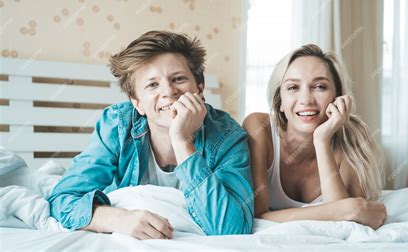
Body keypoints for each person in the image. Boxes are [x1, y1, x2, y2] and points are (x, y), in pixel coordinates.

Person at [48, 31, 254, 239]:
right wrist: (118, 219)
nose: (169, 91)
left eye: (179, 79)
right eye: (152, 84)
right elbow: (63, 199)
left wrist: (182, 142)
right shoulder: (117, 126)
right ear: (137, 103)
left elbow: (232, 229)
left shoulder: (227, 135)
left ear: (199, 88)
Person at [243, 44, 387, 229]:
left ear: (337, 96)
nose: (306, 100)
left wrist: (322, 140)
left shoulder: (351, 141)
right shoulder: (259, 129)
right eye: (293, 87)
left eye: (319, 87)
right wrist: (340, 210)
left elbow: (346, 225)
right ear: (280, 102)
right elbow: (256, 216)